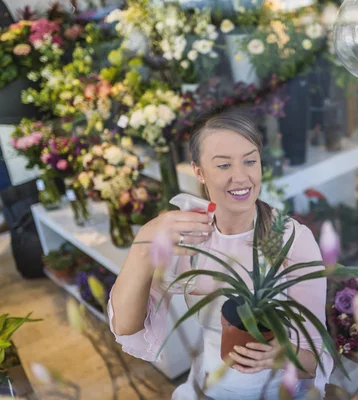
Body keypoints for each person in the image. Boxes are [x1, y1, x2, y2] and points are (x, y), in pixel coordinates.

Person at [108, 110, 333, 399]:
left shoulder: (290, 240)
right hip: (211, 385)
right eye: (224, 165)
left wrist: (281, 354)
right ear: (199, 172)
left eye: (250, 161)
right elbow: (126, 326)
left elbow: (312, 359)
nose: (241, 177)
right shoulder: (187, 237)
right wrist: (144, 242)